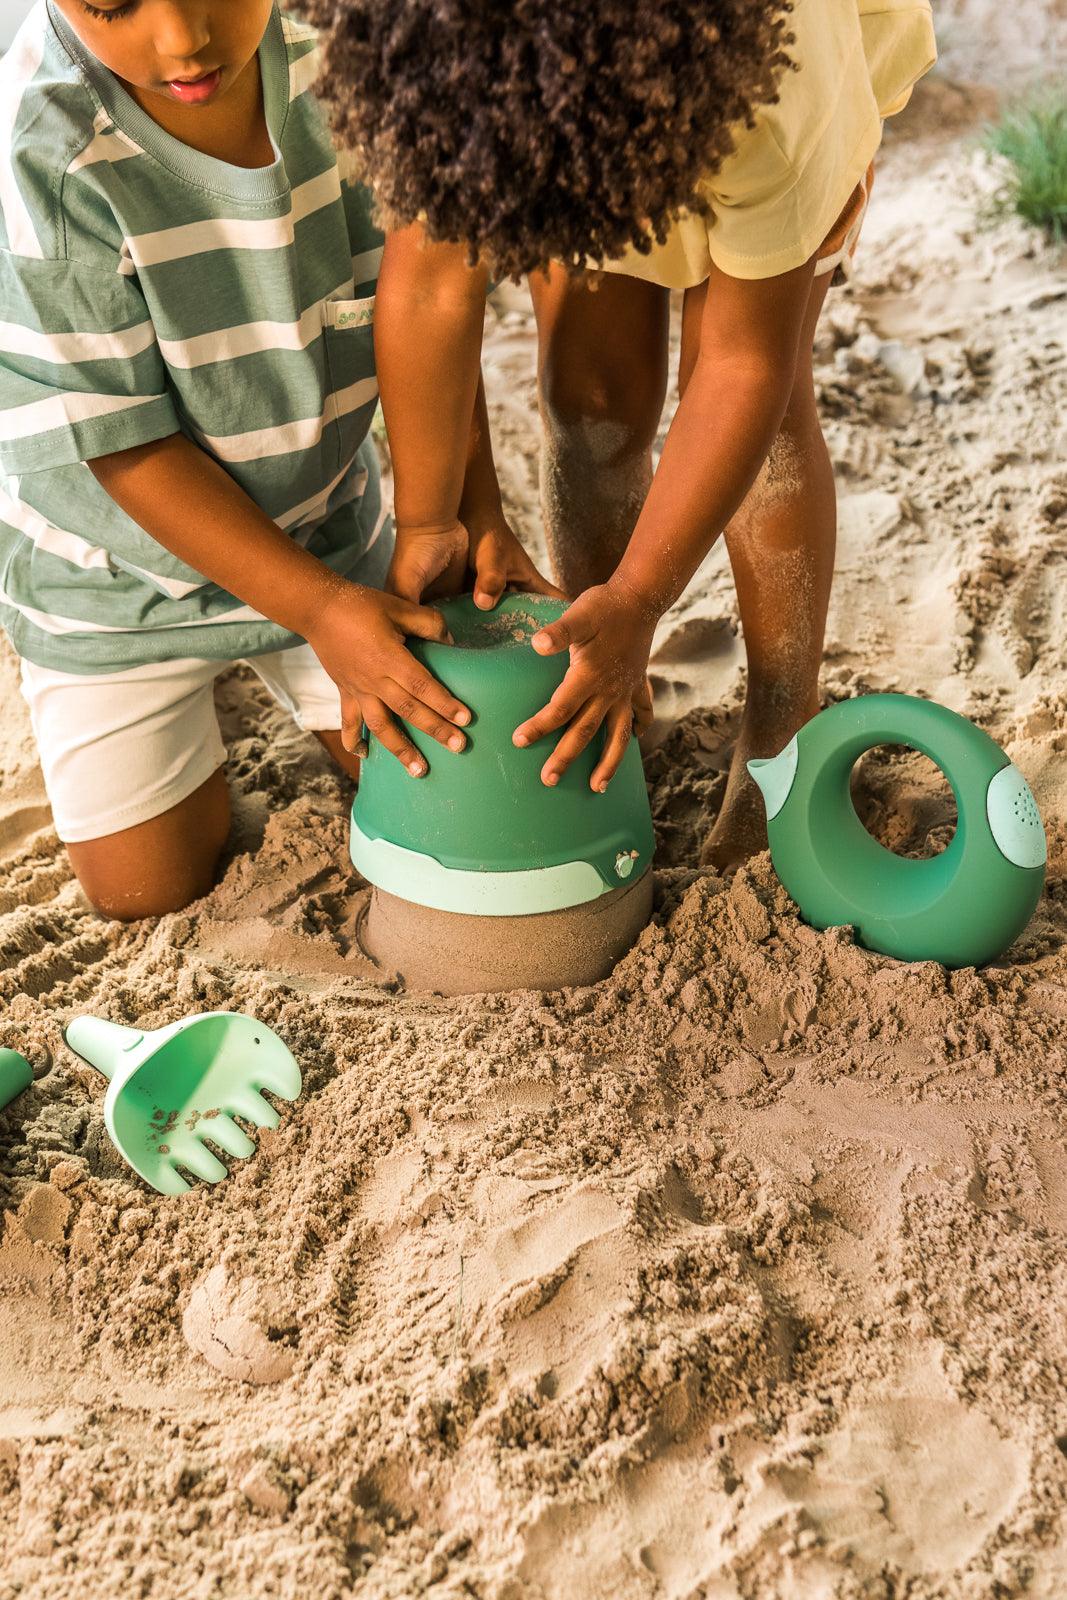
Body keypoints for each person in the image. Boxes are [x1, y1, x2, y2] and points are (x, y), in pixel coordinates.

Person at [305, 0, 937, 864]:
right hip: (561, 98)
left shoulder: (772, 101)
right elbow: (427, 291)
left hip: (736, 96)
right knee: (589, 398)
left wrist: (644, 597)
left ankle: (778, 731)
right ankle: (600, 668)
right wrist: (431, 518)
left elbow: (741, 367)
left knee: (772, 428)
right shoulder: (451, 67)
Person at [0, 0, 551, 919]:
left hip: (328, 525)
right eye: (112, 6)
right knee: (145, 896)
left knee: (469, 778)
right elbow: (126, 445)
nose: (182, 39)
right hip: (115, 584)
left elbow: (425, 313)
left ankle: (288, 664)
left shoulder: (361, 59)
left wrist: (461, 512)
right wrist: (322, 615)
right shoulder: (41, 149)